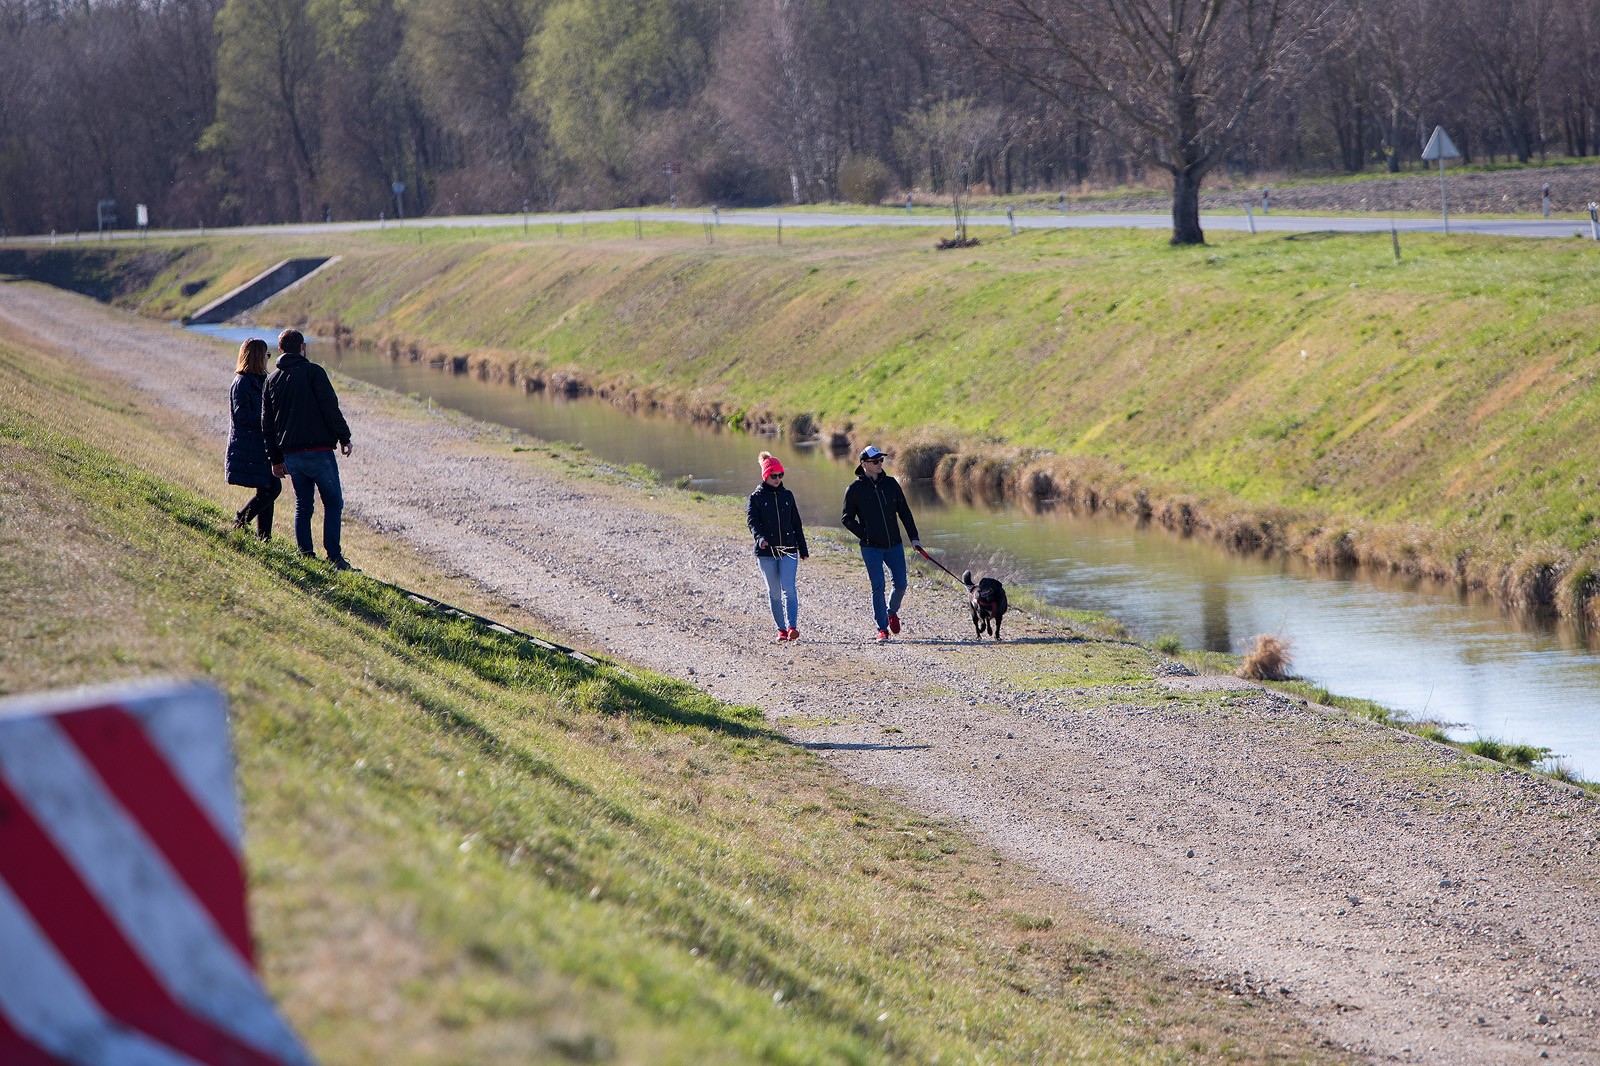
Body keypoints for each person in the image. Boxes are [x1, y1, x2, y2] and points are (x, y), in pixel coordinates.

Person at [262, 328, 354, 569]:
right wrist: (344, 437)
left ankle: (306, 556)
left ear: (280, 349)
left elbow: (267, 424)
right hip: (319, 451)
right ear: (302, 347)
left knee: (304, 504)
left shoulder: (271, 380)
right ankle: (334, 557)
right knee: (333, 502)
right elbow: (330, 408)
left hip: (291, 455)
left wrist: (274, 459)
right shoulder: (314, 372)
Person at [840, 445, 920, 643]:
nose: (880, 464)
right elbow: (847, 518)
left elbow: (905, 513)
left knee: (901, 584)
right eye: (876, 461)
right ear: (864, 464)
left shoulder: (891, 484)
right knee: (878, 587)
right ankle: (882, 628)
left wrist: (914, 538)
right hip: (870, 548)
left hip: (894, 544)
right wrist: (864, 534)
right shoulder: (854, 490)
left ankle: (891, 612)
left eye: (881, 460)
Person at [747, 451, 808, 642]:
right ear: (766, 475)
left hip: (789, 550)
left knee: (789, 589)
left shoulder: (788, 496)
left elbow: (796, 523)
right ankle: (781, 630)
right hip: (766, 553)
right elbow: (752, 522)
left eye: (780, 475)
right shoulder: (756, 497)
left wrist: (803, 549)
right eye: (773, 475)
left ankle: (792, 627)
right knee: (774, 592)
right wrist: (760, 538)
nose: (777, 479)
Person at [225, 338, 281, 540]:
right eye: (266, 355)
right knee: (272, 488)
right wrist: (268, 420)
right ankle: (240, 520)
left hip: (262, 445)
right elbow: (242, 416)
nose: (268, 359)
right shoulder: (242, 382)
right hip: (250, 446)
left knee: (267, 487)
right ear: (258, 356)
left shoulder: (261, 380)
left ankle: (264, 537)